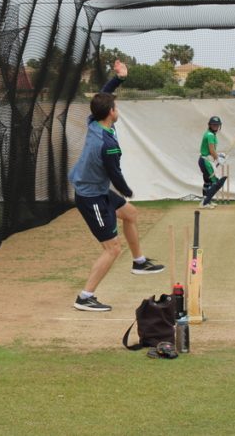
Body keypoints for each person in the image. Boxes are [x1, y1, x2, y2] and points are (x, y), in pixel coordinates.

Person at [69, 60, 165, 313]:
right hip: (91, 197)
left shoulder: (94, 122)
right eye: (116, 106)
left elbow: (104, 96)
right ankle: (85, 296)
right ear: (111, 112)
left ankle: (139, 262)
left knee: (131, 214)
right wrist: (128, 191)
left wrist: (120, 78)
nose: (117, 108)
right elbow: (115, 173)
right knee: (112, 248)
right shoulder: (107, 143)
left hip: (98, 190)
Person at [198, 115, 227, 207]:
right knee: (214, 181)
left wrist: (219, 156)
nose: (215, 126)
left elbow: (211, 151)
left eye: (217, 125)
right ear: (210, 125)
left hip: (204, 160)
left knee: (207, 182)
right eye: (213, 124)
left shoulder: (210, 134)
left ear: (219, 126)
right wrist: (218, 159)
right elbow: (211, 150)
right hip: (205, 161)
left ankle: (206, 201)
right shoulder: (210, 135)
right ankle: (205, 202)